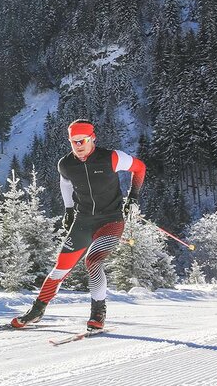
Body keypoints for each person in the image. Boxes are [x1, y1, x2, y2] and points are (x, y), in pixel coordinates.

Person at [12, 119, 146, 331]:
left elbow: (139, 168)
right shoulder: (66, 164)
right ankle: (37, 311)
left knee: (92, 261)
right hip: (83, 221)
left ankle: (98, 313)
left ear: (92, 138)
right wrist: (68, 209)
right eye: (73, 142)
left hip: (110, 221)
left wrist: (133, 197)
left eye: (82, 140)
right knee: (60, 268)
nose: (78, 146)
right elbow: (65, 183)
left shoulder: (112, 157)